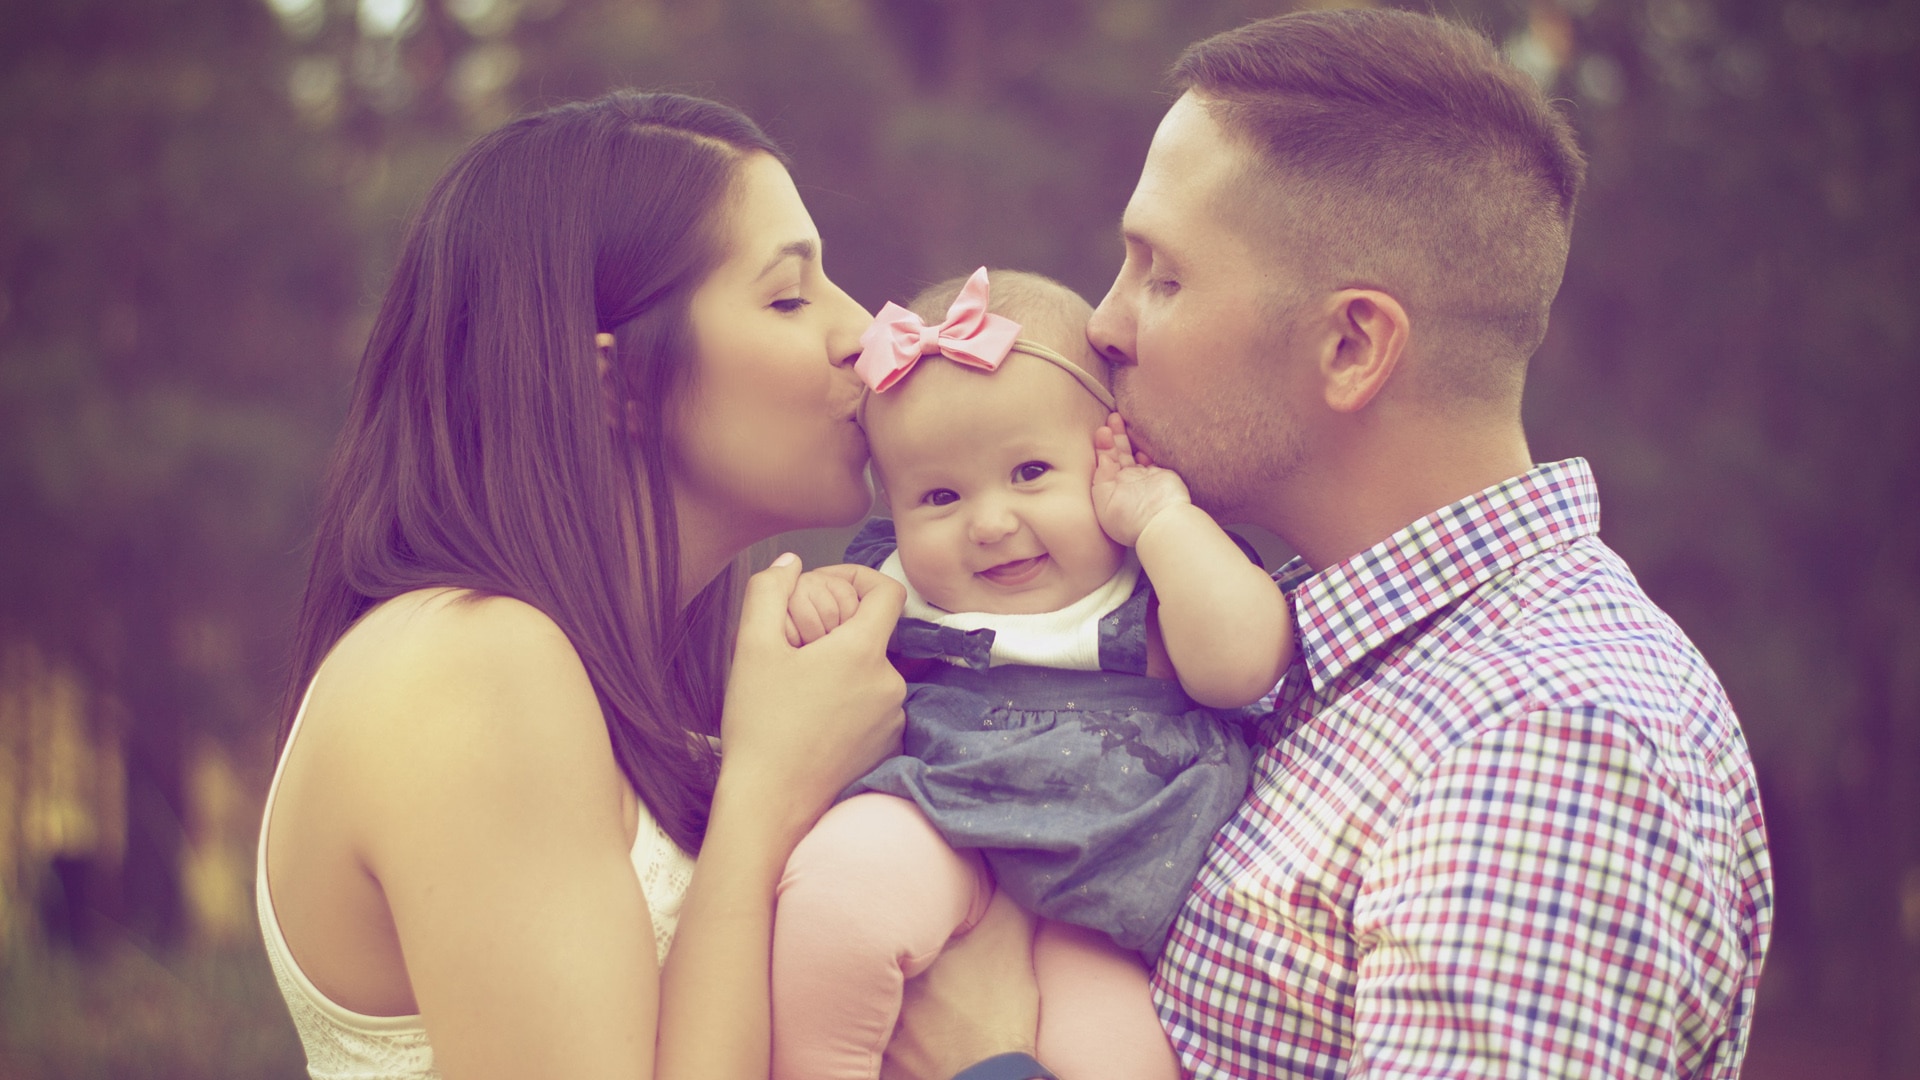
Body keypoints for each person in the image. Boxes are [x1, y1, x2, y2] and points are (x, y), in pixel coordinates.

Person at [901, 9, 1774, 1080]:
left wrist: (985, 1059)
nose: (1104, 326)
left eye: (1162, 276)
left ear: (1353, 345)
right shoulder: (1290, 637)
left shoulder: (1546, 741)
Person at [255, 90, 912, 1080]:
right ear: (619, 384)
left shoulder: (650, 690)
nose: (864, 332)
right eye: (788, 296)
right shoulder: (468, 664)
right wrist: (768, 791)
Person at [768, 268, 1291, 1080]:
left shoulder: (1155, 573)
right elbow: (819, 676)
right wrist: (823, 608)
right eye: (939, 495)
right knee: (837, 899)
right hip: (940, 819)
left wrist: (1159, 516)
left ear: (1114, 452)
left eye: (1030, 474)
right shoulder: (895, 584)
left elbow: (1244, 666)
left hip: (1108, 896)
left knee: (1121, 1060)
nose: (990, 522)